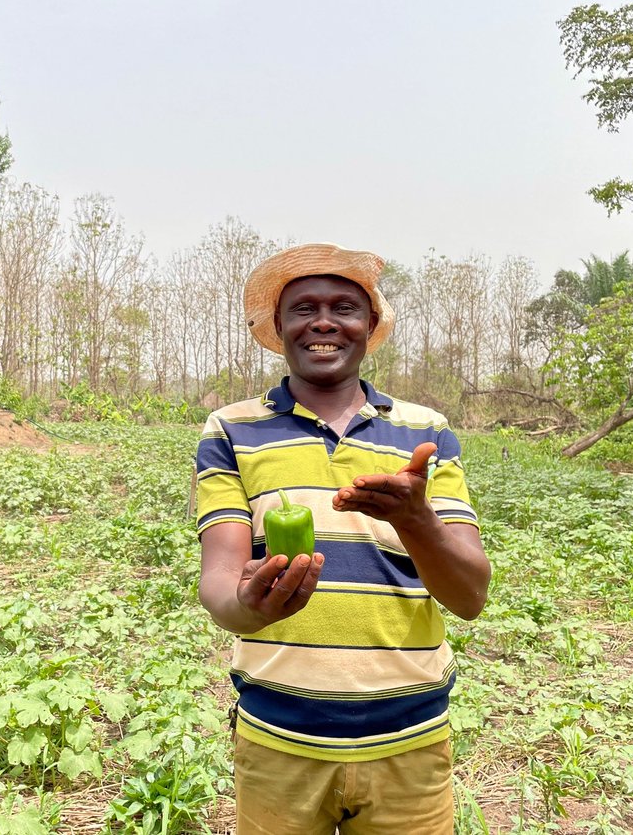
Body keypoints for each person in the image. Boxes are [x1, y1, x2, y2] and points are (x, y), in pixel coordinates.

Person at [195, 242, 491, 835]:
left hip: (408, 741)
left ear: (371, 326)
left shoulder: (427, 432)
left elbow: (469, 596)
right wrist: (248, 605)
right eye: (303, 308)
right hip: (279, 738)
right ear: (277, 326)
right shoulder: (232, 429)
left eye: (345, 308)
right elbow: (219, 583)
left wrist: (416, 519)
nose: (324, 322)